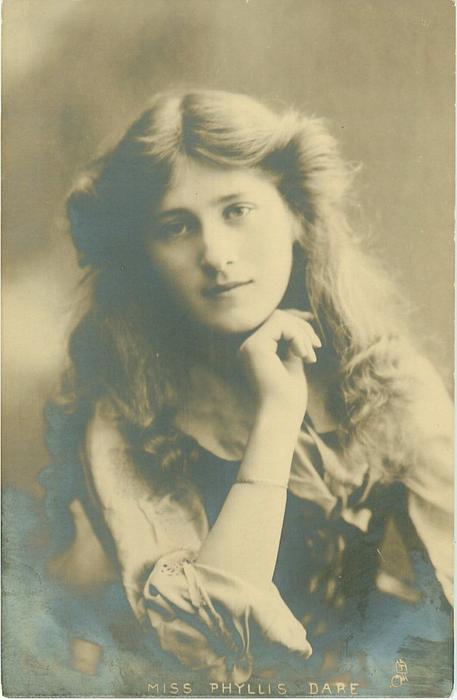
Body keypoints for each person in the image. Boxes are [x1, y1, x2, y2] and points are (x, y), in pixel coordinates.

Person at [37, 89, 452, 694]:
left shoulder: (387, 380)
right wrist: (277, 417)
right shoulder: (129, 419)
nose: (216, 254)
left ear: (296, 215)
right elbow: (209, 648)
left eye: (237, 210)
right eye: (176, 227)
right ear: (141, 257)